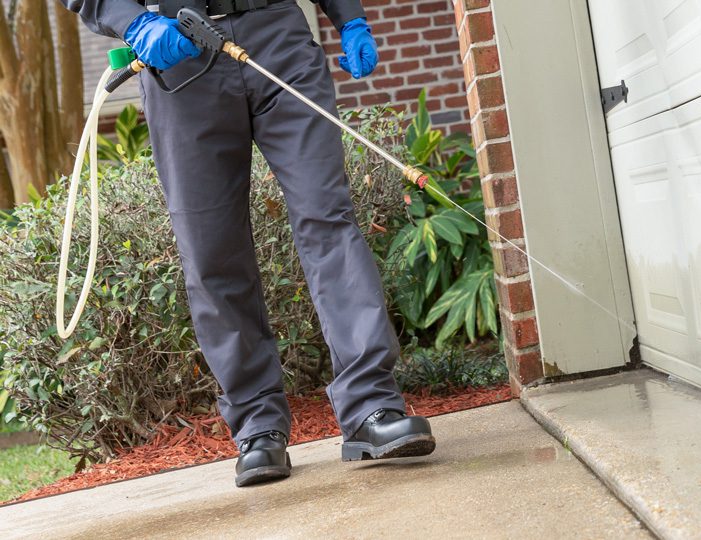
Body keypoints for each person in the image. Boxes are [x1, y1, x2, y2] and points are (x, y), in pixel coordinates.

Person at [61, 0, 436, 488]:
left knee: (329, 221)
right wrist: (133, 21)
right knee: (212, 252)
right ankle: (258, 426)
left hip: (279, 39)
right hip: (178, 56)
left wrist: (350, 18)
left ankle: (372, 408)